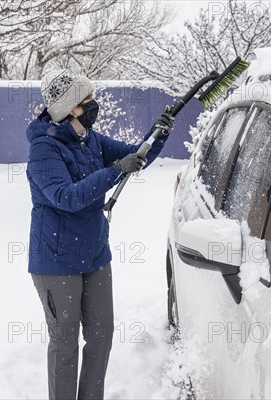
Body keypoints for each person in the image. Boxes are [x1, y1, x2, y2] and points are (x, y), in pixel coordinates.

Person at [26, 69, 173, 400]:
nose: (95, 104)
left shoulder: (90, 140)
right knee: (65, 342)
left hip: (94, 254)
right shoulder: (44, 149)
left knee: (101, 334)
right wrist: (114, 170)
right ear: (71, 108)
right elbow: (67, 197)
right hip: (55, 259)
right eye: (88, 99)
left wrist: (158, 133)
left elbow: (135, 156)